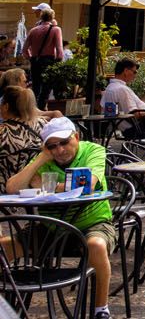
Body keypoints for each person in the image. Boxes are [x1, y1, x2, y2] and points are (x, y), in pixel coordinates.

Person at [8, 117, 114, 319]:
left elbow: (87, 184)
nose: (59, 150)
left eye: (64, 142)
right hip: (51, 228)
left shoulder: (93, 150)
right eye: (52, 146)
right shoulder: (44, 159)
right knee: (4, 248)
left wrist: (45, 185)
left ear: (77, 137)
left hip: (92, 223)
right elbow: (12, 188)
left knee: (97, 246)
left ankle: (101, 310)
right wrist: (41, 158)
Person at [21, 5, 64, 108]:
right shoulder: (56, 30)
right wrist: (58, 63)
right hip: (48, 60)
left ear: (41, 17)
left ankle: (32, 108)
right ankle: (41, 108)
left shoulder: (33, 30)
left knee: (35, 86)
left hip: (35, 61)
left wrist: (31, 58)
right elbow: (59, 50)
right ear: (52, 17)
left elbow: (24, 50)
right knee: (46, 88)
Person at [0, 85, 43, 180]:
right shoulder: (42, 125)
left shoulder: (3, 132)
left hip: (5, 184)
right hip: (35, 183)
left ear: (6, 107)